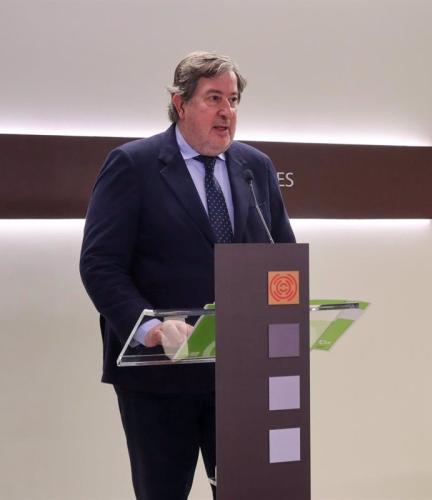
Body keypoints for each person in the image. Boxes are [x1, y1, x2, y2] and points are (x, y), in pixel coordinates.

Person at [79, 51, 295, 499]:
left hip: (242, 372)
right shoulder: (133, 165)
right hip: (160, 376)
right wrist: (153, 328)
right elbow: (100, 263)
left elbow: (282, 257)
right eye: (213, 98)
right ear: (180, 104)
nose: (226, 111)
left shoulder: (255, 167)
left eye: (233, 100)